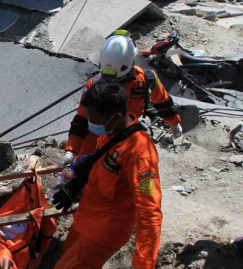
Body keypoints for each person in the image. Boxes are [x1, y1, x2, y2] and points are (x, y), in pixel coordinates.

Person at [48, 79, 163, 269]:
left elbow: (150, 211)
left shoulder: (140, 154)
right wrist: (73, 182)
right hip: (87, 216)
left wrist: (144, 262)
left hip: (107, 230)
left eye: (95, 119)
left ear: (116, 116)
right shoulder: (109, 134)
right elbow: (95, 166)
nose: (91, 125)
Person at [60, 31, 182, 167]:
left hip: (126, 137)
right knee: (84, 170)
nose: (113, 82)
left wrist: (174, 123)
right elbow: (81, 120)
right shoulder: (94, 84)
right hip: (94, 138)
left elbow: (162, 101)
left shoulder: (146, 79)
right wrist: (71, 151)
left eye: (118, 79)